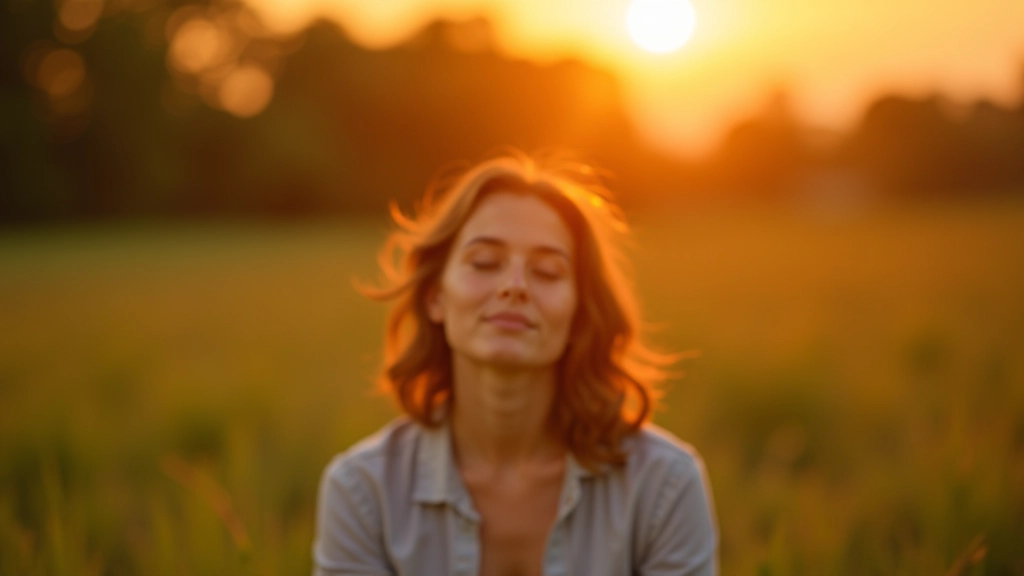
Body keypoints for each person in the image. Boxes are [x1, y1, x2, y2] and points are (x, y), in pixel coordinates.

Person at [313, 151, 718, 575]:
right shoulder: (363, 491)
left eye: (546, 271)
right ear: (436, 296)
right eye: (485, 262)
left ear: (580, 312)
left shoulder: (664, 484)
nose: (515, 286)